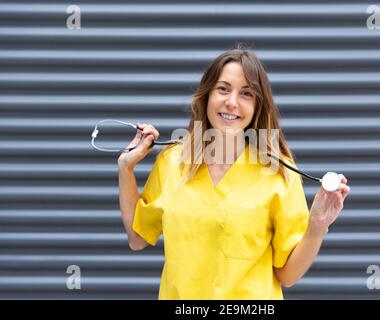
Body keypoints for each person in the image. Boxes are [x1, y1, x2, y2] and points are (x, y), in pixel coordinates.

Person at [117, 47, 350, 299]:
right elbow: (137, 237)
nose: (232, 102)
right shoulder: (172, 162)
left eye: (246, 93)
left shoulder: (278, 172)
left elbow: (287, 275)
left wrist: (317, 226)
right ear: (207, 95)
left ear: (257, 105)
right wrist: (125, 167)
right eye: (223, 89)